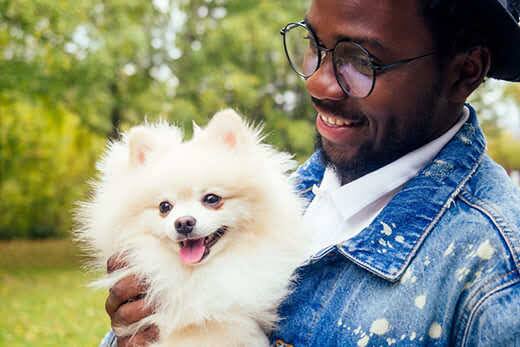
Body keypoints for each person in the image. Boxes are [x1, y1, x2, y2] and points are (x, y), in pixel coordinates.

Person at [100, 0, 520, 346]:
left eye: (362, 60)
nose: (319, 83)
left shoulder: (495, 272)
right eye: (314, 45)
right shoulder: (278, 192)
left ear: (464, 72)